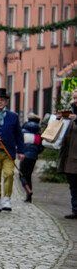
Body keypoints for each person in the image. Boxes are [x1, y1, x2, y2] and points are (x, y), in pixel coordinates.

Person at [58, 89, 77, 218]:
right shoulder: (71, 113)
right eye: (74, 98)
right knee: (73, 184)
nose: (75, 101)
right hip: (70, 156)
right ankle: (75, 210)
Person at [20, 112, 44, 203]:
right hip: (33, 157)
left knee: (21, 175)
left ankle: (28, 191)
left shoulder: (23, 131)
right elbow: (41, 147)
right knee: (28, 175)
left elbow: (20, 143)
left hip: (24, 155)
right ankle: (29, 198)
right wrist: (36, 152)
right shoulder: (38, 134)